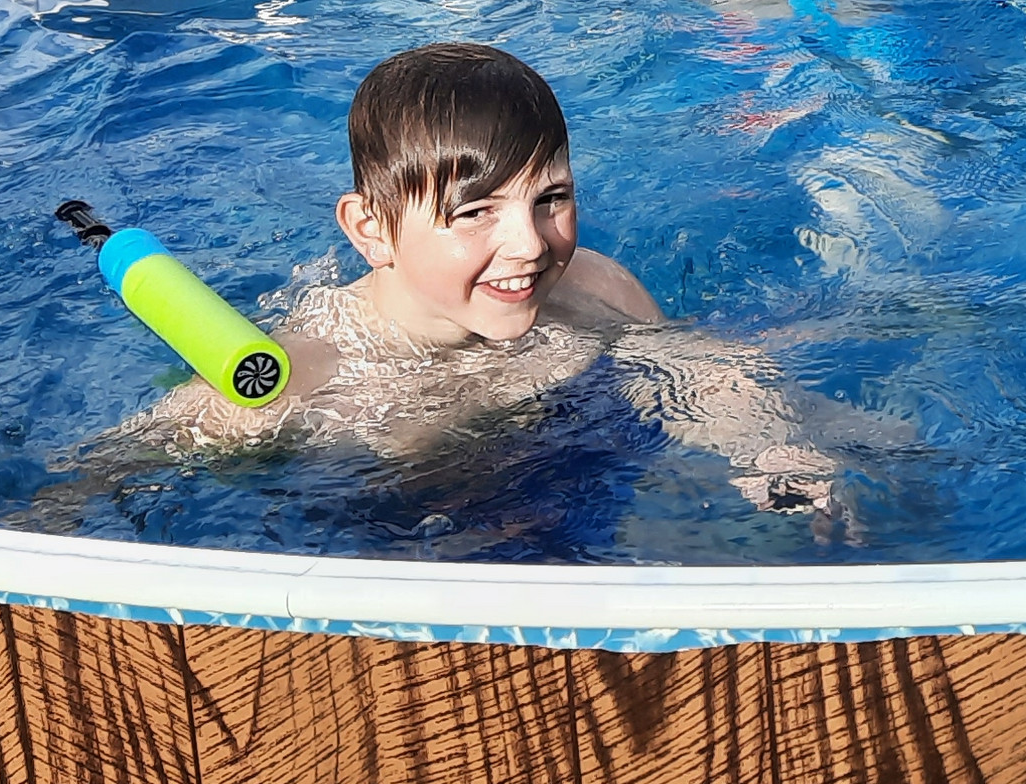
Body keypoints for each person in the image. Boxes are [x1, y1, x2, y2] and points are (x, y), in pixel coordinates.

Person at [121, 42, 862, 519]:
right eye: (475, 212)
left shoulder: (595, 290)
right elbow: (108, 477)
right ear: (370, 229)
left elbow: (692, 374)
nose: (530, 245)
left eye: (551, 198)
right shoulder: (299, 385)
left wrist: (770, 450)